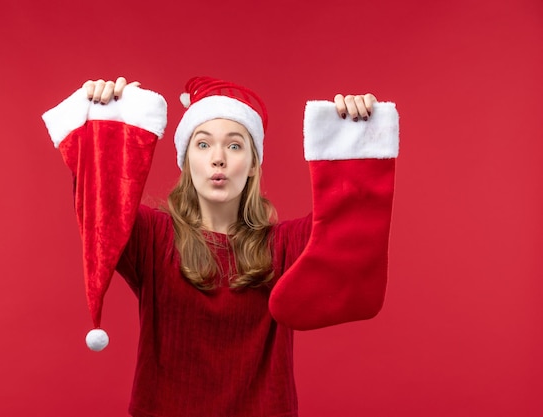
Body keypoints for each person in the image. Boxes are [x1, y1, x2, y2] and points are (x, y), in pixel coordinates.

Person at [42, 75, 399, 417]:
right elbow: (100, 202)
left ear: (252, 164)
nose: (219, 158)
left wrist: (356, 137)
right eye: (203, 143)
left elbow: (349, 225)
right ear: (186, 161)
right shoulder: (153, 237)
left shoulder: (287, 245)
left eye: (234, 144)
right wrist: (108, 117)